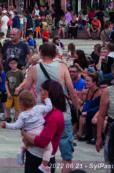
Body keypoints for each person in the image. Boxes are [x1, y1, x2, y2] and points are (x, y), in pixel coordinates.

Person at [24, 43, 79, 173]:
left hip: (42, 115)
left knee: (41, 151)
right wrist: (76, 109)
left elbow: (26, 92)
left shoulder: (34, 69)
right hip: (62, 114)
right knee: (66, 156)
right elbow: (72, 91)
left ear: (41, 53)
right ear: (55, 54)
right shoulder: (62, 67)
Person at [21, 80, 67, 173]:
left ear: (47, 93)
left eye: (41, 90)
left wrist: (24, 134)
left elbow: (42, 142)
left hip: (41, 160)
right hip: (34, 155)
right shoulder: (46, 110)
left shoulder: (55, 115)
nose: (39, 92)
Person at [2, 90, 53, 172]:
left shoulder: (23, 115)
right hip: (39, 132)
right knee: (49, 148)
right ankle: (44, 165)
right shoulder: (38, 108)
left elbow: (16, 126)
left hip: (29, 133)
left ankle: (22, 150)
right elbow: (49, 108)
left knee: (29, 142)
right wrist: (47, 98)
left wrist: (7, 125)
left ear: (22, 105)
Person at [5, 57, 25, 122]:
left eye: (14, 63)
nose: (13, 65)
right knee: (8, 106)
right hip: (10, 93)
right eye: (11, 63)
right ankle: (8, 116)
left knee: (17, 107)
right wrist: (8, 92)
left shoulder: (19, 72)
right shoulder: (8, 73)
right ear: (8, 64)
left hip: (18, 94)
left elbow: (24, 81)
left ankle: (16, 117)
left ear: (17, 64)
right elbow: (6, 83)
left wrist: (19, 89)